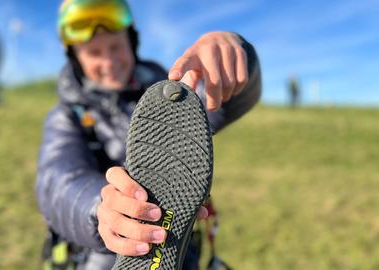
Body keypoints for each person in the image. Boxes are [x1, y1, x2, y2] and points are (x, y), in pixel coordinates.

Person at [35, 0, 262, 269]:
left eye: (115, 47)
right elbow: (56, 180)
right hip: (104, 253)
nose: (108, 61)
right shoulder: (67, 115)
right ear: (76, 59)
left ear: (131, 42)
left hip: (177, 248)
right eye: (94, 52)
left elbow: (221, 104)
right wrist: (100, 207)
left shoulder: (171, 98)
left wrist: (236, 58)